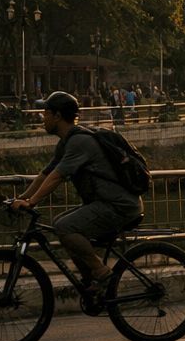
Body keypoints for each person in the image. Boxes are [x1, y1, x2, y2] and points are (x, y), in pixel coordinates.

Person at [11, 92, 142, 295]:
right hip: (104, 203)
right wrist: (23, 198)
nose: (42, 119)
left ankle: (102, 272)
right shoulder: (66, 143)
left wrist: (32, 202)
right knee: (61, 224)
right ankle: (92, 282)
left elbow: (57, 177)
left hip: (119, 206)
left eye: (45, 114)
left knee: (65, 226)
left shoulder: (79, 142)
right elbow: (44, 175)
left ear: (57, 116)